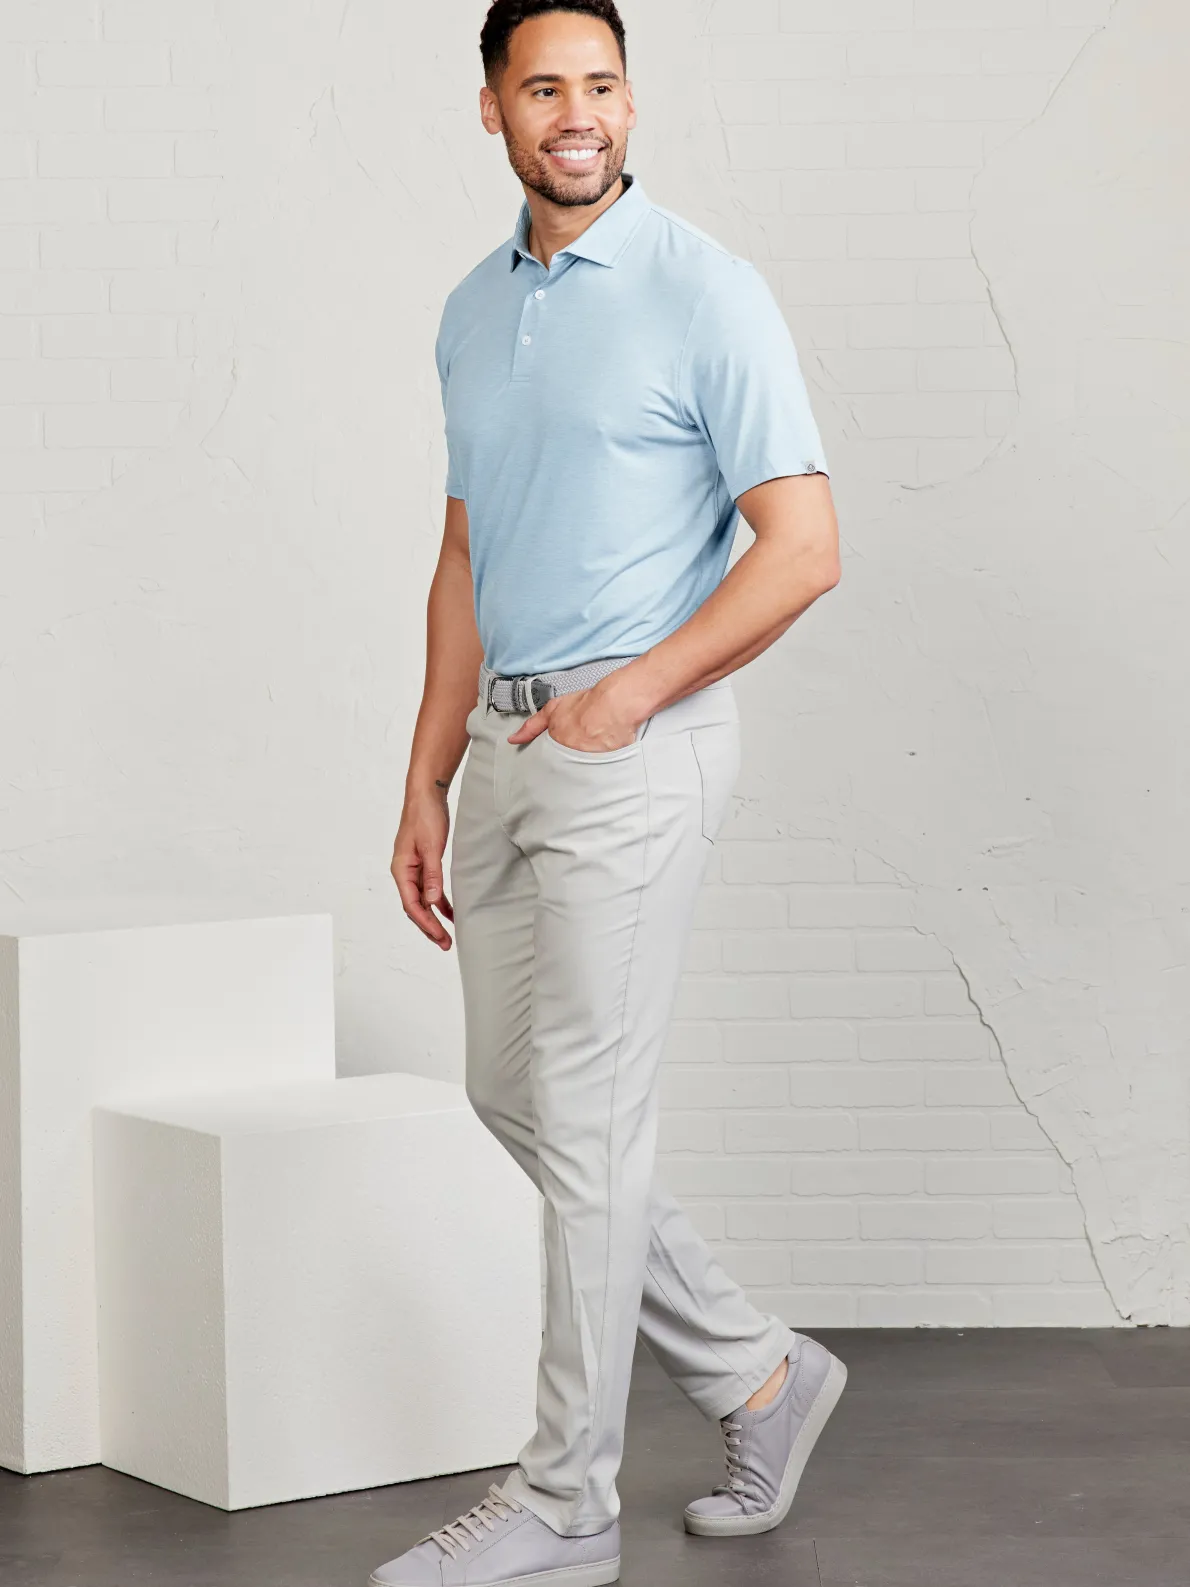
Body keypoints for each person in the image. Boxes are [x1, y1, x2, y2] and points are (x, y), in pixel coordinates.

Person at [378, 3, 845, 1583]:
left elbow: (803, 546)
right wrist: (427, 769)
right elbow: (464, 555)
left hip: (632, 750)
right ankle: (759, 1373)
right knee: (515, 1095)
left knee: (583, 1113)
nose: (575, 112)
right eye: (542, 88)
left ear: (629, 105)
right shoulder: (470, 309)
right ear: (493, 110)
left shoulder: (706, 291)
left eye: (600, 85)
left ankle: (566, 1502)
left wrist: (632, 693)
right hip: (507, 749)